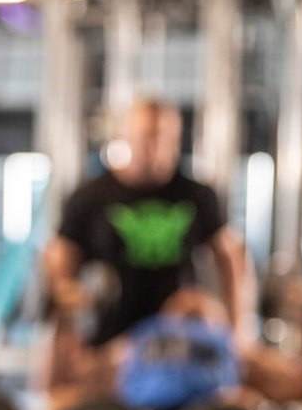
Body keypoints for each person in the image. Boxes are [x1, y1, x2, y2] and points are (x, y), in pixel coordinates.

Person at [40, 99, 256, 373]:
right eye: (148, 137)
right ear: (125, 137)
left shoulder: (197, 195)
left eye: (168, 138)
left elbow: (231, 258)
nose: (158, 147)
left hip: (179, 341)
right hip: (109, 344)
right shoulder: (90, 197)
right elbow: (60, 258)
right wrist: (67, 324)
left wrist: (238, 331)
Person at [47, 283, 302, 410]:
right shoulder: (132, 346)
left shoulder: (233, 352)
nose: (189, 300)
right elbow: (58, 393)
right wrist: (62, 317)